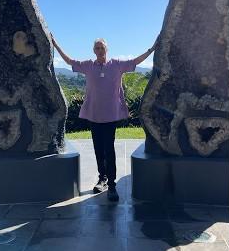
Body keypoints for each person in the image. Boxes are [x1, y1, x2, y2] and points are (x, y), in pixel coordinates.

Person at [51, 35, 156, 202]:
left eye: (102, 48)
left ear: (107, 50)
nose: (100, 50)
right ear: (94, 51)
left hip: (110, 115)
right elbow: (69, 61)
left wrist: (152, 49)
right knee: (98, 149)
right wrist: (55, 44)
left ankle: (112, 185)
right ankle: (102, 178)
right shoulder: (88, 66)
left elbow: (135, 61)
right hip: (94, 115)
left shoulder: (117, 65)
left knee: (109, 149)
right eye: (97, 48)